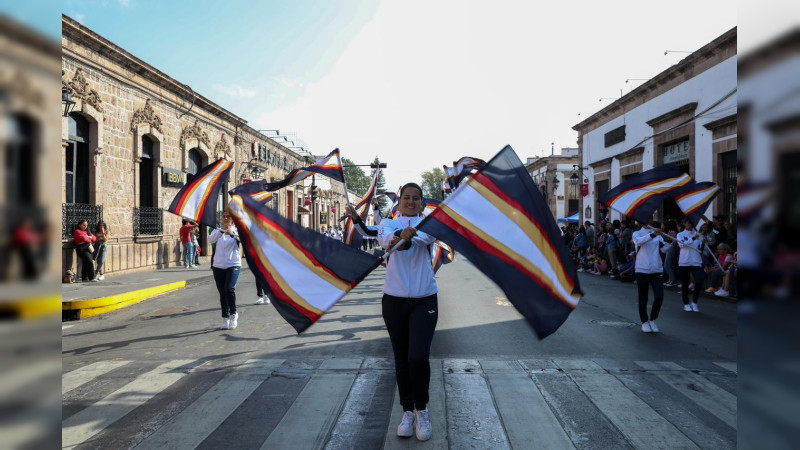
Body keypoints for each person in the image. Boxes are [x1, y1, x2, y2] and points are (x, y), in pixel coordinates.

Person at [377, 183, 438, 441]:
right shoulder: (386, 224)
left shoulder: (430, 225)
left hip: (425, 299)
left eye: (415, 198)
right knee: (401, 358)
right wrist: (402, 234)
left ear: (422, 203)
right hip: (395, 300)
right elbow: (389, 243)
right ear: (399, 201)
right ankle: (407, 411)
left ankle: (421, 409)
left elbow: (422, 239)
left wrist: (407, 235)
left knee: (418, 357)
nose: (410, 202)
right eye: (406, 198)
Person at [632, 221, 668, 333]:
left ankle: (653, 319)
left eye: (649, 219)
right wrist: (653, 235)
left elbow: (664, 249)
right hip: (642, 269)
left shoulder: (657, 235)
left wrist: (671, 241)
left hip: (656, 269)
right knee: (643, 298)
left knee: (659, 296)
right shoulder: (637, 233)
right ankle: (644, 321)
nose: (648, 221)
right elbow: (638, 242)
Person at [209, 210, 242, 330]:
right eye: (224, 217)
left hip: (233, 264)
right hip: (218, 265)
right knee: (222, 293)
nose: (226, 218)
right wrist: (221, 230)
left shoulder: (237, 230)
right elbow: (210, 240)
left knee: (229, 289)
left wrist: (231, 232)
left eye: (228, 217)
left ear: (233, 219)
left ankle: (233, 314)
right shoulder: (218, 230)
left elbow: (242, 239)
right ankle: (225, 317)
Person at [676, 219, 704, 312]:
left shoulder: (698, 234)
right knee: (685, 283)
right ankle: (686, 303)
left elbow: (701, 249)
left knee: (699, 282)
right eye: (688, 223)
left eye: (691, 223)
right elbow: (682, 245)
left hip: (696, 261)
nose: (690, 225)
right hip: (684, 261)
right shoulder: (680, 235)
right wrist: (693, 238)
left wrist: (703, 243)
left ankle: (695, 302)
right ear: (685, 224)